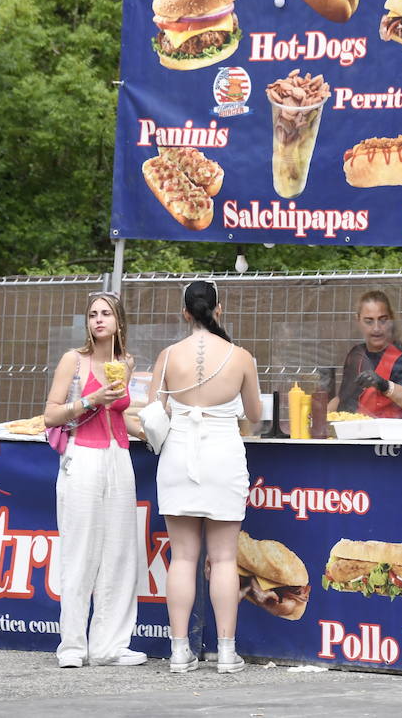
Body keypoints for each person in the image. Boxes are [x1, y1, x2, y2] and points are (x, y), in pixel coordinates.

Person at [149, 279, 262, 674]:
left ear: (185, 312)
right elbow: (254, 414)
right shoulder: (240, 356)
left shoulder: (167, 356)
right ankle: (227, 651)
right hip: (223, 453)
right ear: (219, 308)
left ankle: (180, 650)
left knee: (182, 556)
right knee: (225, 557)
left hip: (179, 452)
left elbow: (153, 412)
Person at [42, 290, 142, 669]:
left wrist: (150, 429)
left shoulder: (126, 362)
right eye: (92, 315)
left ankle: (110, 645)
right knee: (79, 550)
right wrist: (90, 399)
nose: (98, 320)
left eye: (105, 314)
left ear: (119, 321)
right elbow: (50, 414)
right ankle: (72, 644)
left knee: (119, 553)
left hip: (119, 456)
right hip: (82, 455)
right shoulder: (75, 361)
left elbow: (122, 417)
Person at [331, 290, 402, 419]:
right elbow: (342, 398)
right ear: (358, 321)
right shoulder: (356, 355)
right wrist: (317, 417)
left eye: (383, 320)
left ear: (391, 320)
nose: (376, 328)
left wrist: (385, 386)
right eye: (369, 321)